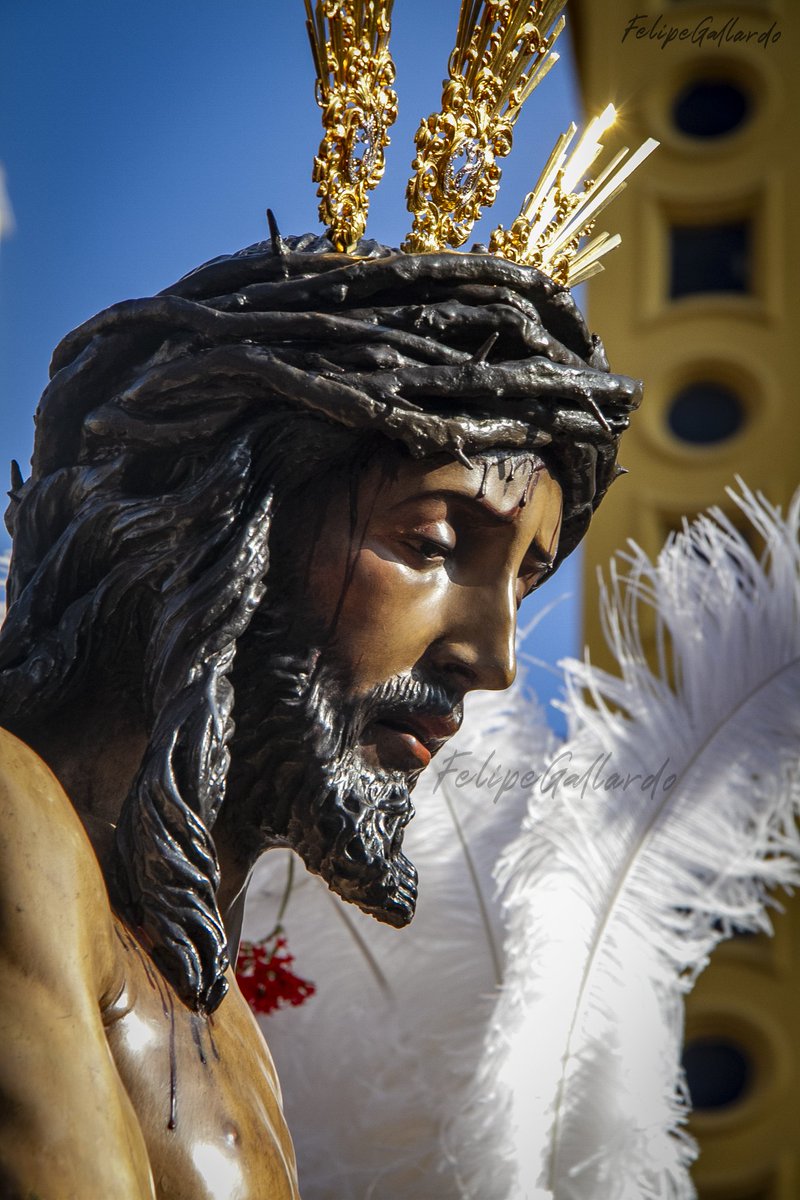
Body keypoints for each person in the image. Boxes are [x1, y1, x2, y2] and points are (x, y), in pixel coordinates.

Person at [0, 234, 640, 1198]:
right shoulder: (14, 815)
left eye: (523, 582)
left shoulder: (232, 1031)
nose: (496, 660)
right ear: (218, 511)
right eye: (434, 545)